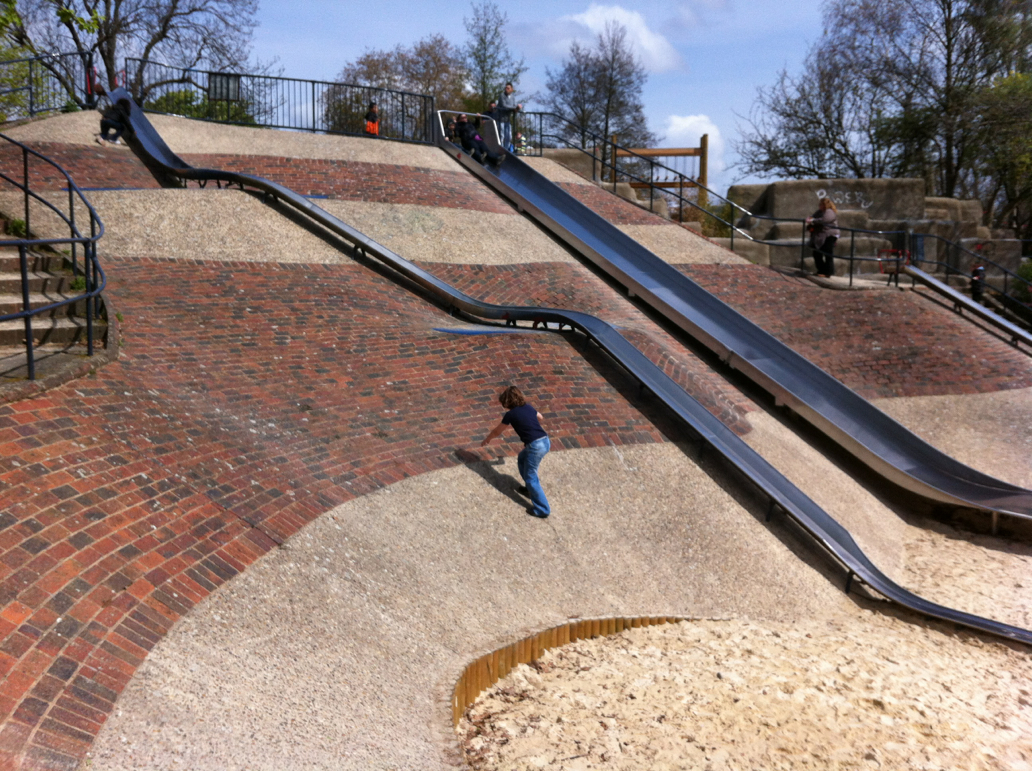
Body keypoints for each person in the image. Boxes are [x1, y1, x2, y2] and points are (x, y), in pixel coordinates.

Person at [481, 385, 551, 518]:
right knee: (522, 459)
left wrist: (488, 439)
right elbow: (540, 417)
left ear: (507, 402)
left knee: (531, 477)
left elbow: (497, 431)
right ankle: (530, 490)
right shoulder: (528, 407)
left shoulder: (510, 414)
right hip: (545, 440)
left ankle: (542, 510)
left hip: (535, 446)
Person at [806, 197, 840, 277]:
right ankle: (821, 270)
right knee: (816, 253)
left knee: (827, 253)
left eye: (820, 204)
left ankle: (828, 272)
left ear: (824, 205)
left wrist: (813, 221)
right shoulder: (820, 212)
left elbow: (824, 220)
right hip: (820, 235)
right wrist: (810, 218)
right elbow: (813, 217)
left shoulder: (829, 212)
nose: (819, 206)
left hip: (829, 235)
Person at [495, 82, 522, 150]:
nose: (506, 89)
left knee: (509, 136)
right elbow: (504, 105)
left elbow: (514, 105)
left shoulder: (513, 97)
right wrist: (514, 108)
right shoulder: (502, 95)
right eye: (506, 88)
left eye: (508, 88)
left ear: (511, 89)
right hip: (501, 119)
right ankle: (501, 149)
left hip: (507, 120)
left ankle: (506, 149)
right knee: (501, 136)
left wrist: (517, 107)